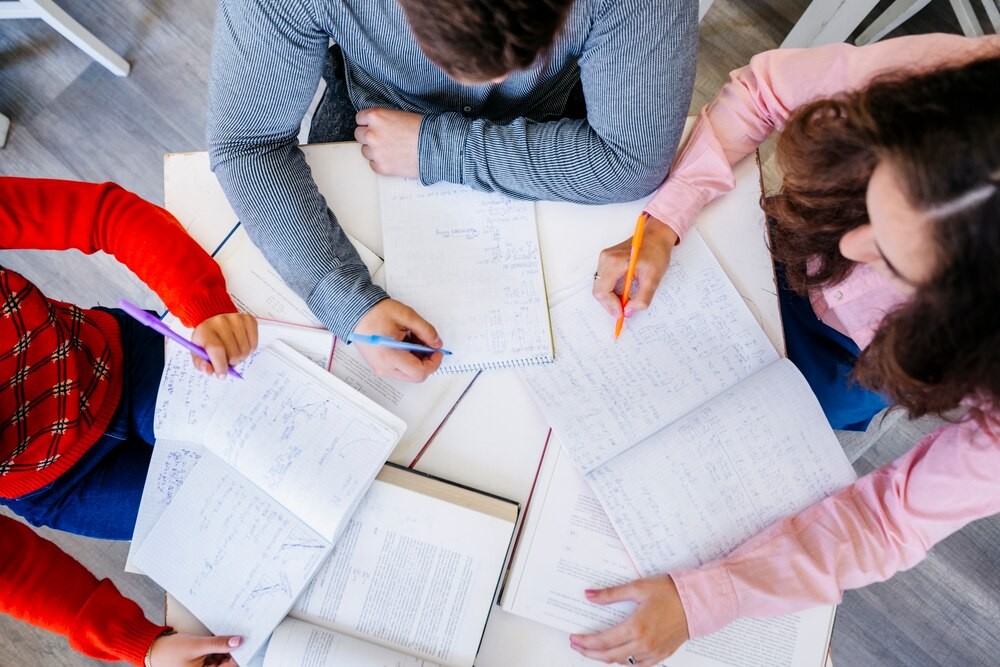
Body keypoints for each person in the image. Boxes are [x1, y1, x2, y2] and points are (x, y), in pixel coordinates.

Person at [576, 33, 1000, 666]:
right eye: (875, 200)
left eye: (895, 262)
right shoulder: (959, 96)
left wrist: (708, 598)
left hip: (866, 364)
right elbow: (763, 91)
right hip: (766, 248)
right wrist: (666, 220)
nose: (854, 251)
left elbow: (889, 521)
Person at [206, 0, 698, 382]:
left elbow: (632, 160)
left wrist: (435, 148)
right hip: (367, 131)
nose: (502, 78)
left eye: (532, 51)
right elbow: (246, 145)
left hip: (554, 130)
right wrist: (349, 305)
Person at [0, 177, 258, 665]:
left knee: (277, 444)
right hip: (60, 486)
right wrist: (141, 644)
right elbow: (9, 568)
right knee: (239, 530)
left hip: (116, 359)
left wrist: (200, 302)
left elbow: (104, 215)